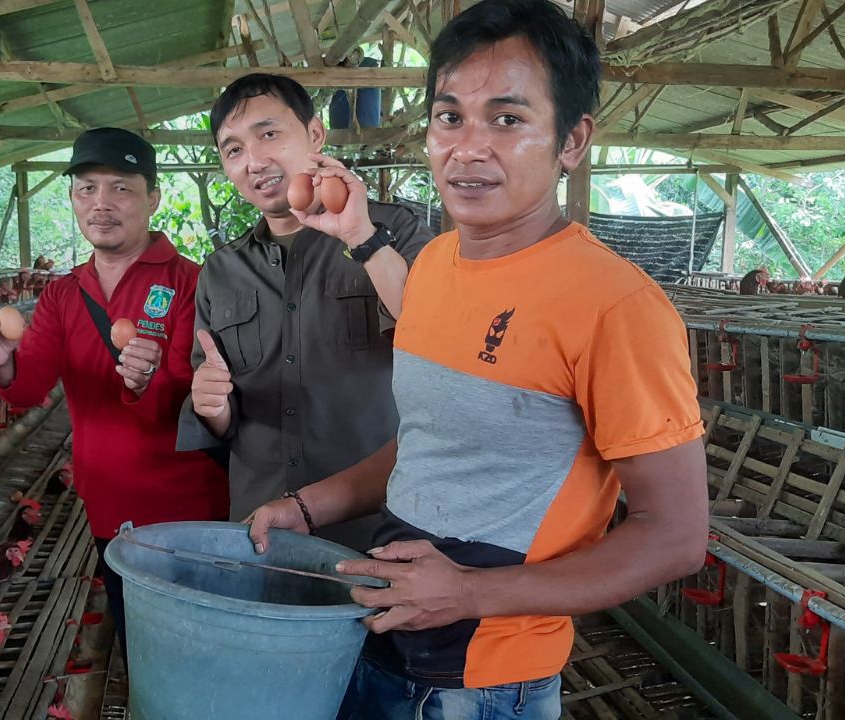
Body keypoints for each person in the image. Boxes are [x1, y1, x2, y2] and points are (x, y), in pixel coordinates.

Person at [246, 2, 709, 718]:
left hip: (486, 682)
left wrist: (468, 592)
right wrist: (311, 505)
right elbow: (431, 442)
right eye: (449, 117)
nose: (468, 148)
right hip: (383, 637)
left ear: (572, 140)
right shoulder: (434, 266)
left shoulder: (615, 305)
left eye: (508, 119)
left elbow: (675, 536)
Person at [0, 127, 228, 654]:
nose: (101, 203)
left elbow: (199, 400)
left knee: (199, 644)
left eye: (121, 188)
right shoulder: (63, 294)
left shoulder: (192, 282)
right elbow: (29, 389)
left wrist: (150, 380)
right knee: (138, 642)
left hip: (188, 506)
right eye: (87, 188)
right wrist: (4, 361)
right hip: (107, 504)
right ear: (73, 198)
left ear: (153, 198)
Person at [176, 73, 435, 550]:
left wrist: (362, 238)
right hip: (262, 530)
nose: (254, 160)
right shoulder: (221, 271)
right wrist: (213, 406)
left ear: (315, 134)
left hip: (378, 529)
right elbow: (222, 417)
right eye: (233, 149)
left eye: (269, 133)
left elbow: (438, 339)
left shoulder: (393, 231)